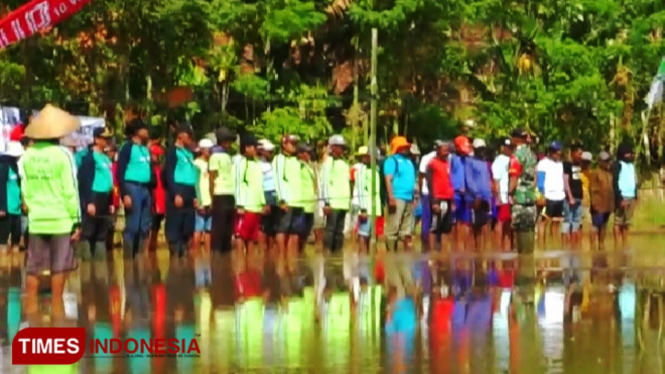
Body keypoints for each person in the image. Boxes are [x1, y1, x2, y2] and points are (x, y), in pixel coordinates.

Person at [20, 104, 82, 320]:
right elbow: (70, 189)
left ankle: (31, 307)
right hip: (61, 219)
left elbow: (25, 190)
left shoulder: (27, 157)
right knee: (59, 266)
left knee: (33, 266)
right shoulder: (62, 155)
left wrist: (31, 209)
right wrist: (76, 221)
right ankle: (57, 307)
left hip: (37, 219)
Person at [116, 119, 153, 259]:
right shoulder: (127, 147)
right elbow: (120, 171)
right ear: (137, 132)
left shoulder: (145, 149)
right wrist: (125, 194)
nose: (147, 132)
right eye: (144, 129)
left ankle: (140, 256)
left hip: (145, 189)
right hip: (132, 187)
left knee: (144, 225)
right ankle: (128, 258)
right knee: (133, 224)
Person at [77, 127, 115, 261]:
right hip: (94, 196)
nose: (107, 141)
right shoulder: (89, 158)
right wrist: (88, 202)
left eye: (108, 138)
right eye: (104, 138)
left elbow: (109, 180)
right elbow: (85, 182)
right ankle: (87, 266)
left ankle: (100, 269)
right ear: (96, 139)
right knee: (88, 232)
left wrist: (111, 202)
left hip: (105, 197)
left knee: (102, 232)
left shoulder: (105, 158)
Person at [162, 125, 197, 259]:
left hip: (189, 191)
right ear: (180, 136)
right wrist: (175, 193)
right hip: (178, 191)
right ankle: (175, 256)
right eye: (188, 136)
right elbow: (168, 174)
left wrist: (194, 195)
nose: (190, 140)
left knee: (187, 226)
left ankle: (184, 259)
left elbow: (191, 175)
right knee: (175, 225)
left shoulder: (189, 154)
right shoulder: (172, 153)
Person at [233, 135, 266, 255]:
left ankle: (250, 264)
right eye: (254, 147)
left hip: (256, 206)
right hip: (245, 206)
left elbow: (260, 185)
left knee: (252, 237)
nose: (256, 149)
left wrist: (263, 203)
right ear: (246, 148)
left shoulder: (257, 164)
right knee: (240, 235)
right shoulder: (240, 163)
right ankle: (240, 261)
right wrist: (239, 204)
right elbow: (237, 183)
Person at [383, 136, 416, 252]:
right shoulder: (391, 160)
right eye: (402, 146)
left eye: (406, 146)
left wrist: (415, 197)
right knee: (393, 228)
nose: (405, 148)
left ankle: (403, 258)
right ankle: (392, 254)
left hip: (409, 198)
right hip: (397, 197)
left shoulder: (409, 161)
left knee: (406, 230)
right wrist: (391, 196)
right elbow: (388, 179)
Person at [273, 134, 303, 256]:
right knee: (282, 229)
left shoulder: (296, 161)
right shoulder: (279, 159)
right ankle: (281, 256)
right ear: (284, 144)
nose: (294, 146)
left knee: (295, 232)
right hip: (286, 201)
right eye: (292, 143)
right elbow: (278, 180)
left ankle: (292, 258)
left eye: (295, 144)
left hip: (298, 201)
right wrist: (281, 199)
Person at [508, 128, 538, 254]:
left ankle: (523, 264)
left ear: (516, 139)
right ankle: (529, 262)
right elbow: (536, 177)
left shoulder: (516, 156)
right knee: (530, 229)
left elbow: (514, 178)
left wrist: (510, 193)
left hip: (519, 198)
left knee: (520, 231)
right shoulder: (532, 155)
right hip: (531, 197)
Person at [320, 134, 351, 252]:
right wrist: (327, 202)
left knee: (339, 231)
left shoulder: (344, 163)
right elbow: (325, 183)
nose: (342, 150)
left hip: (343, 203)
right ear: (333, 147)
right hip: (333, 203)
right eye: (339, 147)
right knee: (330, 230)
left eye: (343, 147)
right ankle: (327, 253)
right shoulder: (328, 162)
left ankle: (337, 254)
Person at [209, 127, 237, 253]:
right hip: (219, 193)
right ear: (224, 141)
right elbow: (212, 177)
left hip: (229, 193)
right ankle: (216, 256)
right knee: (219, 228)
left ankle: (226, 254)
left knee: (228, 228)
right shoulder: (215, 156)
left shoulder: (227, 156)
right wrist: (211, 197)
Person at [425, 141, 453, 252]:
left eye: (447, 150)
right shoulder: (432, 164)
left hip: (448, 198)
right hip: (438, 198)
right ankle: (432, 253)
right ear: (438, 150)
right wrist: (434, 201)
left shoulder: (448, 163)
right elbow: (430, 183)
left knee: (446, 228)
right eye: (444, 150)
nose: (446, 152)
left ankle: (444, 253)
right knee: (434, 227)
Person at [465, 138, 493, 249]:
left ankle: (482, 251)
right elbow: (469, 180)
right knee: (474, 227)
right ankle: (473, 251)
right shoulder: (470, 162)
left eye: (483, 149)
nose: (482, 151)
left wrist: (489, 195)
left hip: (486, 198)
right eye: (480, 149)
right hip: (475, 198)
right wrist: (476, 195)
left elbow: (486, 180)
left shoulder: (484, 163)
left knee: (485, 226)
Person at [355, 146, 383, 254]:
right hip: (366, 207)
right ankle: (362, 255)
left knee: (373, 234)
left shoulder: (376, 169)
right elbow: (361, 190)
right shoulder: (362, 170)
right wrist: (362, 209)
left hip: (376, 207)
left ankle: (371, 256)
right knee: (363, 234)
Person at [536, 141, 565, 243]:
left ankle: (555, 246)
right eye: (556, 152)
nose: (558, 154)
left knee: (557, 223)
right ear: (551, 152)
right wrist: (541, 196)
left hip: (560, 196)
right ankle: (541, 247)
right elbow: (540, 182)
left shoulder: (560, 164)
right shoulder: (543, 163)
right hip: (548, 196)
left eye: (559, 152)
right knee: (543, 222)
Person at [0, 141, 24, 253]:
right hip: (7, 209)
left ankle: (15, 267)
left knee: (16, 239)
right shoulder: (4, 167)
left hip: (17, 208)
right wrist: (2, 207)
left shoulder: (15, 167)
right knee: (3, 241)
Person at [613, 143, 637, 245]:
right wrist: (619, 198)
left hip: (630, 196)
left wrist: (635, 196)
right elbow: (615, 182)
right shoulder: (617, 165)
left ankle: (625, 242)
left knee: (627, 223)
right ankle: (617, 243)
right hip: (622, 196)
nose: (630, 155)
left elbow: (634, 181)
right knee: (618, 221)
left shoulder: (631, 166)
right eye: (628, 154)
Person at [589, 151, 614, 248]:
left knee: (604, 225)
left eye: (608, 161)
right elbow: (593, 189)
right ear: (600, 162)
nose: (608, 163)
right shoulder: (595, 173)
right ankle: (592, 246)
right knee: (595, 225)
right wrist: (594, 203)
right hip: (598, 204)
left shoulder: (609, 174)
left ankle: (601, 244)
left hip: (607, 204)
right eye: (605, 161)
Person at [491, 138, 512, 250]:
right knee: (501, 222)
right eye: (507, 147)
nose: (509, 149)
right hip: (503, 194)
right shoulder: (499, 160)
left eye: (510, 147)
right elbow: (496, 180)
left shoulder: (512, 159)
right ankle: (498, 248)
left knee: (508, 223)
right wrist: (498, 197)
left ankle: (507, 248)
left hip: (510, 195)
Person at [451, 135, 472, 247]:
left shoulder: (468, 159)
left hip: (467, 194)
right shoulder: (452, 159)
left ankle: (463, 245)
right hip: (455, 193)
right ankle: (455, 245)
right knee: (454, 221)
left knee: (465, 221)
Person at [193, 138, 214, 252]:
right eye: (208, 149)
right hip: (201, 200)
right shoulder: (196, 163)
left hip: (210, 200)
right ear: (201, 150)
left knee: (209, 230)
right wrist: (198, 200)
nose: (210, 151)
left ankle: (207, 254)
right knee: (198, 229)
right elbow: (195, 183)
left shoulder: (211, 163)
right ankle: (195, 254)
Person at [562, 143, 584, 243]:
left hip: (579, 197)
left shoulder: (579, 165)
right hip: (570, 197)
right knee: (567, 221)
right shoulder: (566, 165)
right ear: (573, 153)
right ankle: (565, 245)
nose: (580, 156)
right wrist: (570, 196)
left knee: (576, 222)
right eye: (578, 153)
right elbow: (565, 181)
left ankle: (574, 246)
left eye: (581, 154)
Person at [258, 139, 277, 251]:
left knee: (272, 226)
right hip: (265, 195)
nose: (271, 153)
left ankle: (270, 251)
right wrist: (263, 202)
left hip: (274, 195)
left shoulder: (271, 163)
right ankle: (261, 250)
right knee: (263, 226)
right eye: (268, 151)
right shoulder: (258, 165)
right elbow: (258, 184)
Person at [297, 143, 317, 252]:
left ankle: (302, 253)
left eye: (309, 152)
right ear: (300, 154)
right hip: (302, 203)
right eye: (306, 152)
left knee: (306, 231)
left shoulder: (310, 166)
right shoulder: (298, 165)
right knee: (299, 231)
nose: (308, 154)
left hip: (310, 203)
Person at [418, 143, 438, 249]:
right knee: (434, 218)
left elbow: (421, 176)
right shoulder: (444, 157)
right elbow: (421, 176)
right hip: (433, 192)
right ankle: (432, 244)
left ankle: (425, 244)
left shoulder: (425, 158)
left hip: (427, 192)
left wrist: (421, 189)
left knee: (427, 218)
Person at [147, 143, 166, 253]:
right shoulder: (149, 170)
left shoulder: (161, 170)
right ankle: (148, 252)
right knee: (150, 229)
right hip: (153, 203)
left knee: (156, 229)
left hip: (161, 203)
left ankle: (152, 253)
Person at [106, 144, 120, 252]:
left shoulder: (117, 165)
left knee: (113, 223)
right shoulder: (104, 164)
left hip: (115, 197)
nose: (110, 154)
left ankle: (111, 245)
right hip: (105, 197)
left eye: (112, 152)